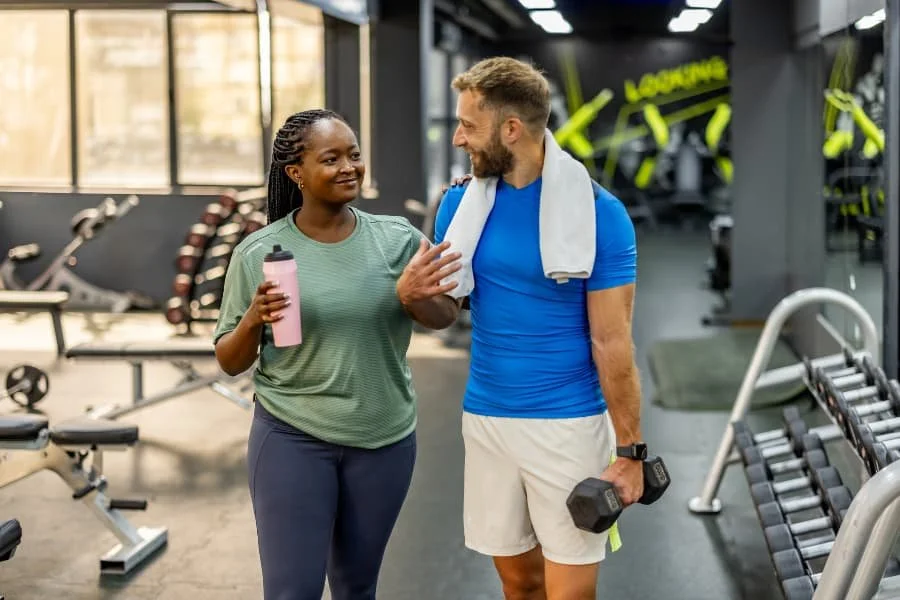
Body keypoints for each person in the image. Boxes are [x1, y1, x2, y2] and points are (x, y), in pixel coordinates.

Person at [213, 108, 462, 600]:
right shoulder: (259, 252)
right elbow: (229, 360)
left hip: (384, 438)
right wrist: (253, 318)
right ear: (296, 173)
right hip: (293, 436)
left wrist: (413, 297)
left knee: (356, 587)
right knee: (292, 591)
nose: (349, 167)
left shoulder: (397, 239)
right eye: (332, 158)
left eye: (354, 155)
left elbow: (445, 314)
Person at [433, 57, 644, 599]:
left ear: (511, 130)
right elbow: (443, 309)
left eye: (469, 126)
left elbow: (612, 340)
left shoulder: (601, 214)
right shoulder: (460, 205)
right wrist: (411, 293)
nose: (458, 138)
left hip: (567, 425)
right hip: (486, 418)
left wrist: (631, 452)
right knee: (518, 582)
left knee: (569, 592)